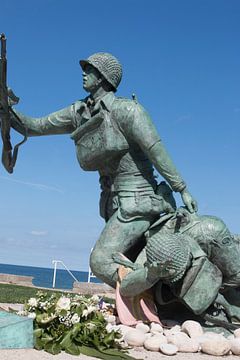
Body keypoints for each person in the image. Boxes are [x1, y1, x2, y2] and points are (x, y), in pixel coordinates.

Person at [7, 52, 197, 287]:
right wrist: (5, 108)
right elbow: (34, 126)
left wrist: (181, 188)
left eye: (90, 69)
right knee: (123, 260)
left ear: (104, 77)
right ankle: (147, 297)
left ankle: (149, 292)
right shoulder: (78, 113)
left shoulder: (127, 111)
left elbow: (155, 149)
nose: (84, 73)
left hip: (138, 201)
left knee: (100, 261)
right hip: (111, 203)